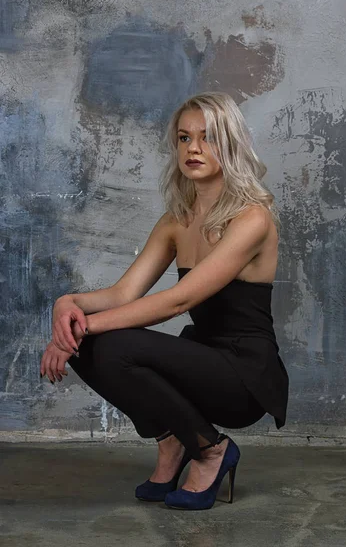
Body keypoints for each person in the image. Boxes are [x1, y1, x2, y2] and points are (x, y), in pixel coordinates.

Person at [40, 91, 289, 510]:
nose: (193, 148)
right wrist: (69, 305)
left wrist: (74, 331)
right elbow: (122, 294)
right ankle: (173, 439)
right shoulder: (177, 219)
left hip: (244, 375)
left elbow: (178, 302)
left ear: (230, 144)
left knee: (107, 340)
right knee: (89, 345)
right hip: (201, 360)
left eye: (208, 137)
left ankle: (211, 450)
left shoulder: (252, 218)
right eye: (184, 138)